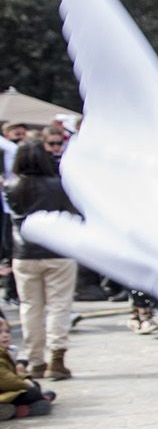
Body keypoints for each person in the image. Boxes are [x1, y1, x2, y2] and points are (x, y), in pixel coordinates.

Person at [6, 140, 79, 380]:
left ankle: (35, 360)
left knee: (30, 307)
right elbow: (72, 213)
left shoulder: (11, 186)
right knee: (59, 305)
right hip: (58, 250)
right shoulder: (58, 185)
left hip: (24, 253)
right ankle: (57, 358)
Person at [0, 316, 57, 419]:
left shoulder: (5, 352)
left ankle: (15, 409)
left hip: (7, 391)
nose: (5, 336)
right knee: (33, 393)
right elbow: (6, 380)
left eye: (7, 332)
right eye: (0, 333)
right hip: (4, 392)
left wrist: (25, 377)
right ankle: (16, 409)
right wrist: (25, 384)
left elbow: (12, 374)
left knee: (36, 388)